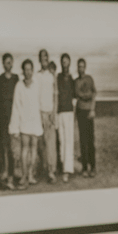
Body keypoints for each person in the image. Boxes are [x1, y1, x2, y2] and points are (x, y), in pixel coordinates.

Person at [8, 59, 42, 189]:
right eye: (26, 69)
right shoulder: (19, 85)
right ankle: (23, 176)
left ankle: (30, 175)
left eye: (30, 69)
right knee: (24, 149)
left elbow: (39, 102)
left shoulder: (36, 84)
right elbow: (16, 106)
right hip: (24, 121)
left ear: (33, 70)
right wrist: (15, 127)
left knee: (34, 149)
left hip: (35, 121)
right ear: (23, 71)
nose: (28, 72)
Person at [0, 53, 19, 189]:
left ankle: (11, 176)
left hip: (14, 118)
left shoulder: (16, 78)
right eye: (6, 62)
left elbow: (19, 98)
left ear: (12, 63)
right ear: (3, 64)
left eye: (10, 62)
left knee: (12, 149)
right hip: (2, 119)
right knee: (2, 148)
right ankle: (3, 175)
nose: (8, 65)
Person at [37, 49, 57, 184]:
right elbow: (35, 95)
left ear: (48, 58)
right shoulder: (37, 75)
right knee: (40, 144)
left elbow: (56, 95)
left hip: (50, 113)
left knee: (51, 145)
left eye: (46, 57)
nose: (44, 59)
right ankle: (43, 168)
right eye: (42, 57)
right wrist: (38, 114)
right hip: (39, 113)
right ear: (39, 60)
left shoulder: (52, 76)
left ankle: (51, 172)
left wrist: (54, 114)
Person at [74, 57, 97, 178]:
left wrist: (92, 109)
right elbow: (76, 95)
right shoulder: (76, 81)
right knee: (82, 141)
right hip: (80, 112)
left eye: (82, 66)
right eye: (79, 66)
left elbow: (94, 93)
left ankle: (92, 167)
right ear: (77, 68)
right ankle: (84, 168)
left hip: (89, 112)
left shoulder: (89, 79)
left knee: (90, 140)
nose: (80, 68)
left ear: (85, 67)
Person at [56, 54, 76, 183]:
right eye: (63, 62)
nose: (65, 64)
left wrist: (73, 114)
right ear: (61, 63)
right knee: (61, 141)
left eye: (67, 62)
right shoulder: (57, 77)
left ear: (69, 63)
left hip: (69, 112)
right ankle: (63, 165)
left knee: (69, 141)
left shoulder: (72, 79)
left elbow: (74, 98)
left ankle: (66, 171)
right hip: (59, 112)